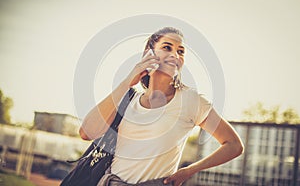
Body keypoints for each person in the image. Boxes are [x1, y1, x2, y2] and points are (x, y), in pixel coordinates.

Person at [79, 27, 244, 186]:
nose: (175, 55)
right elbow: (86, 132)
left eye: (181, 51)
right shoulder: (127, 99)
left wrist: (189, 171)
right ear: (148, 54)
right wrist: (128, 81)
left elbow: (233, 145)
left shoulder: (191, 101)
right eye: (167, 47)